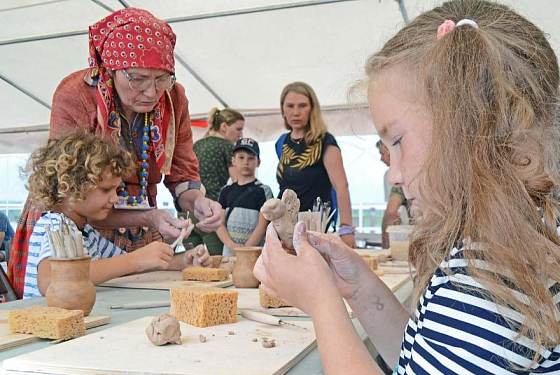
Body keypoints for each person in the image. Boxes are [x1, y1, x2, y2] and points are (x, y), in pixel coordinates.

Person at [254, 1, 560, 373]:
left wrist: (322, 304)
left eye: (397, 141)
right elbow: (423, 359)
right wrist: (358, 287)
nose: (394, 175)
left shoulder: (492, 282)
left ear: (468, 126)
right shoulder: (502, 244)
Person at [9, 8, 222, 298]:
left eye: (162, 79)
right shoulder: (76, 94)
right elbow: (69, 187)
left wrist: (196, 202)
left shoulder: (173, 98)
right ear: (110, 69)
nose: (151, 92)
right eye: (138, 78)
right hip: (82, 215)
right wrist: (146, 226)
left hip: (128, 221)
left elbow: (182, 170)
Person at [22, 132, 211, 299]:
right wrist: (136, 260)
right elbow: (50, 281)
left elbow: (126, 263)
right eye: (106, 190)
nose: (115, 198)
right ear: (70, 187)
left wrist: (181, 261)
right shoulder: (56, 226)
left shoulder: (86, 233)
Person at [275, 82, 356, 248]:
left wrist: (346, 229)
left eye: (302, 106)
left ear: (313, 109)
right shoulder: (281, 142)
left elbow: (341, 186)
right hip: (284, 227)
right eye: (290, 106)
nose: (296, 112)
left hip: (315, 228)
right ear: (283, 110)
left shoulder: (325, 141)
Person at [181, 108, 245, 255]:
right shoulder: (227, 146)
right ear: (224, 127)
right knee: (217, 264)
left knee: (192, 263)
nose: (240, 134)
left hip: (188, 212)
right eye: (238, 129)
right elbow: (238, 182)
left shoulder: (198, 144)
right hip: (210, 213)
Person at [216, 138, 273, 257]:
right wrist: (231, 245)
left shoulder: (264, 191)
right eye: (241, 157)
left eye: (251, 158)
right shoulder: (225, 191)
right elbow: (219, 223)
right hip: (229, 253)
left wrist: (245, 250)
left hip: (254, 255)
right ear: (233, 161)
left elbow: (262, 226)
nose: (246, 162)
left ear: (258, 162)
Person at [376, 140, 408, 249]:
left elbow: (391, 212)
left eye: (382, 154)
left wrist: (385, 248)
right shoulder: (389, 176)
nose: (381, 159)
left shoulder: (400, 174)